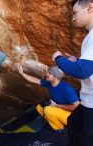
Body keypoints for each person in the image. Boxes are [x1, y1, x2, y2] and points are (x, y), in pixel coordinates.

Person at [52, 0, 93, 145]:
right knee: (73, 123)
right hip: (88, 101)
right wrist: (76, 61)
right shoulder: (90, 36)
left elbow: (82, 71)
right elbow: (87, 66)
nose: (72, 18)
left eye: (75, 13)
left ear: (90, 7)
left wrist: (58, 58)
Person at [15, 63, 80, 131]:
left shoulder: (66, 89)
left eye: (49, 73)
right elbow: (35, 80)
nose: (46, 74)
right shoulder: (49, 83)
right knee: (39, 108)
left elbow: (76, 107)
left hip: (73, 118)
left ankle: (60, 130)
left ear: (55, 76)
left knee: (48, 110)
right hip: (61, 111)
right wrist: (22, 73)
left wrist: (56, 105)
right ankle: (57, 124)